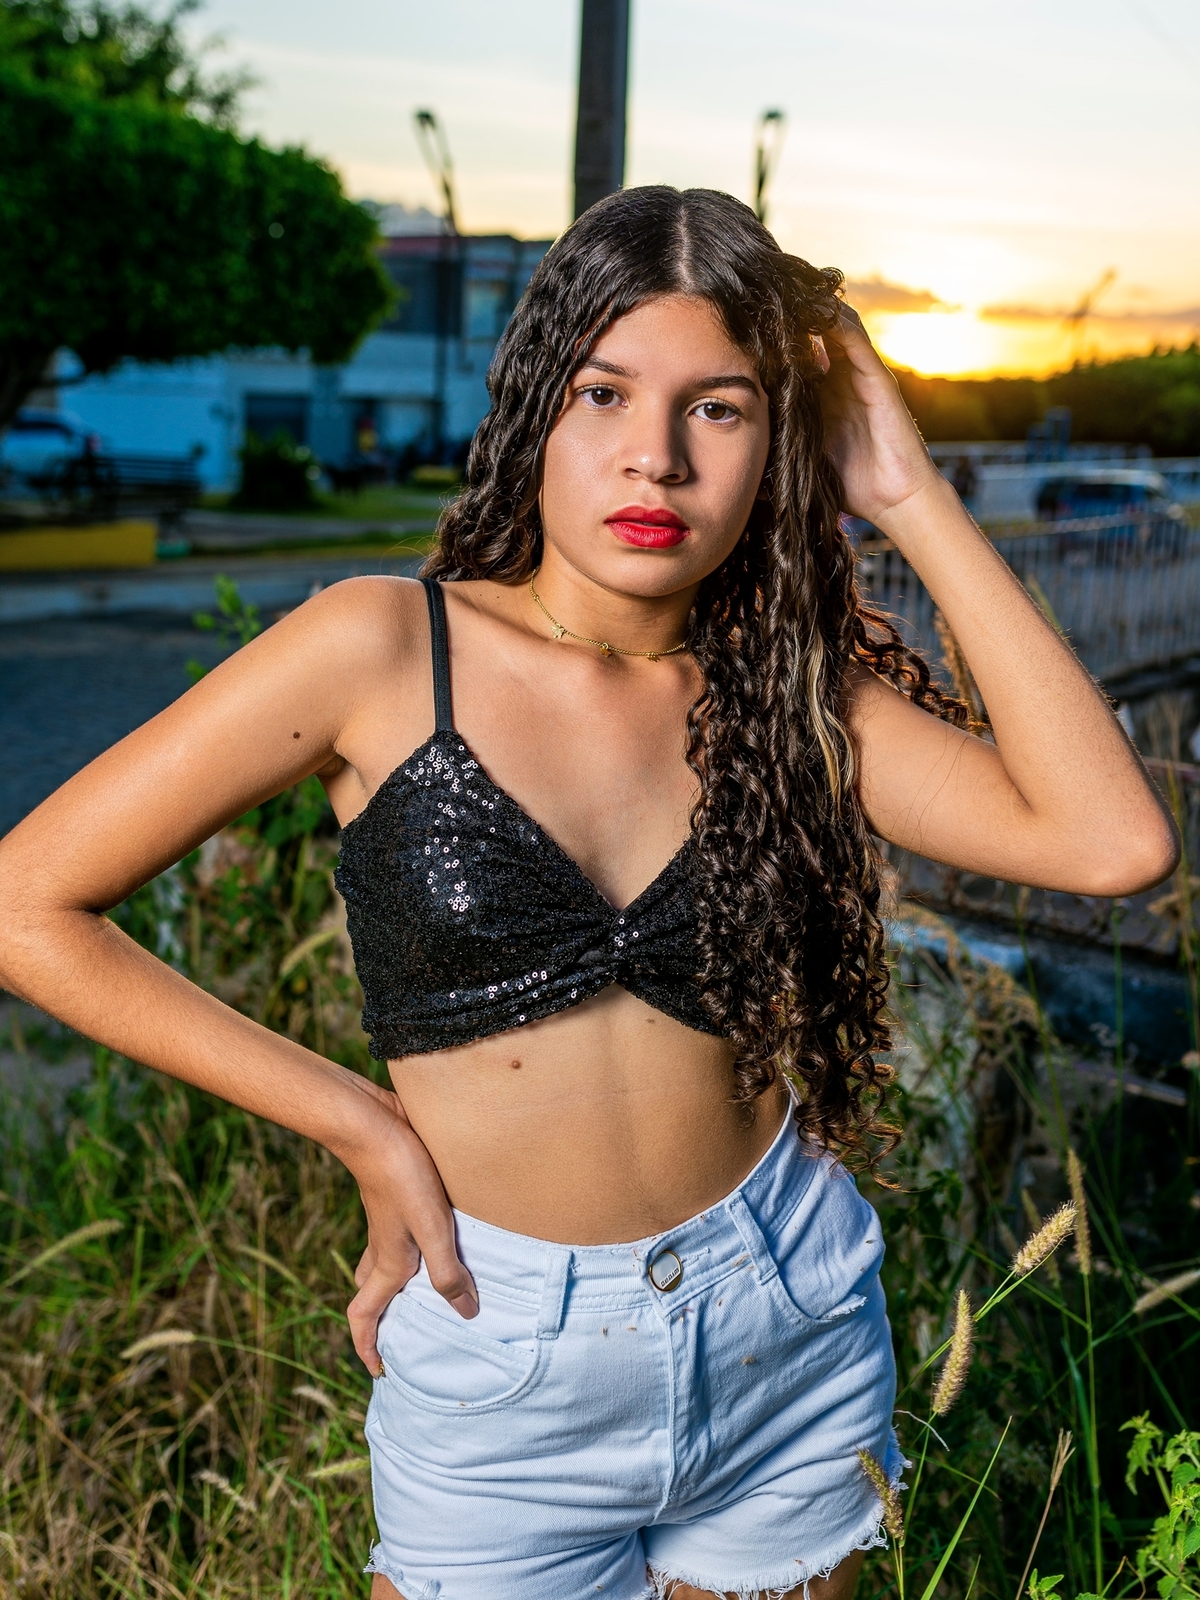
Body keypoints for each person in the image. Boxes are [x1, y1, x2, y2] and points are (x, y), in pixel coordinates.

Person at [0, 187, 1176, 1600]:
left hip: (782, 1323)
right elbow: (28, 903)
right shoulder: (379, 649)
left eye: (721, 409)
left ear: (779, 441)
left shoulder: (792, 700)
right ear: (535, 406)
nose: (657, 459)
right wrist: (360, 1124)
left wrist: (911, 493)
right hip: (500, 1354)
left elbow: (1114, 846)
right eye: (606, 390)